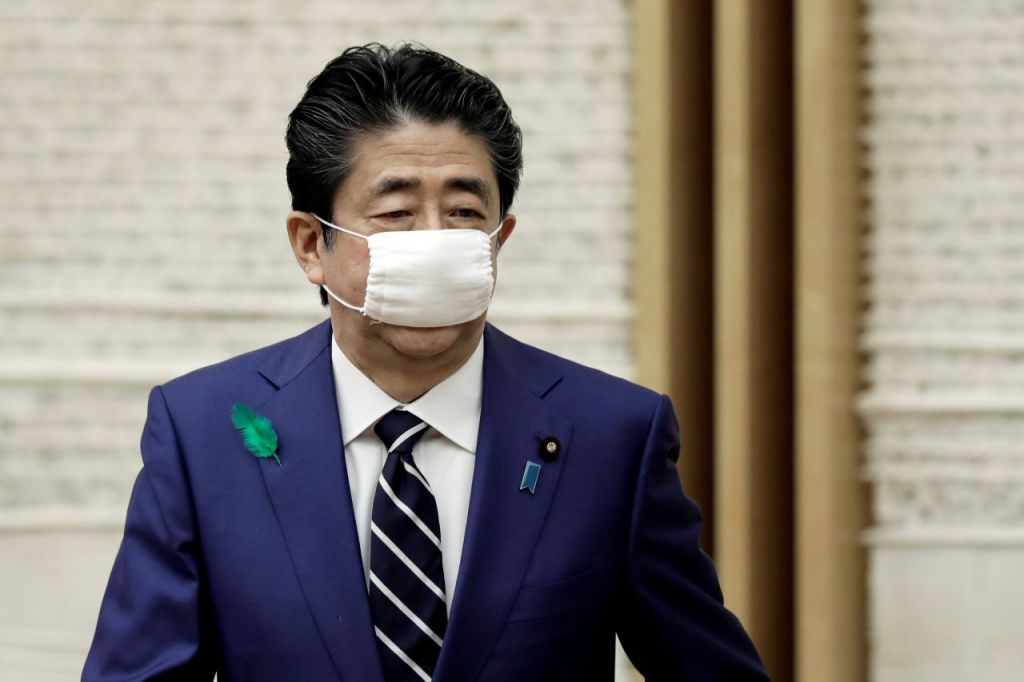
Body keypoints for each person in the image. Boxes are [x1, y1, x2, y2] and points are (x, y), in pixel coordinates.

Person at [82, 43, 768, 682]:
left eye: (465, 211)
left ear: (500, 239)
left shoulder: (612, 436)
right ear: (311, 245)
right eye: (397, 212)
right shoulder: (202, 435)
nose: (436, 240)